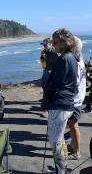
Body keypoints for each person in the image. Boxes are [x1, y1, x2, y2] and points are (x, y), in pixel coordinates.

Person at [42, 28, 79, 174]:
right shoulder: (71, 57)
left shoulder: (65, 58)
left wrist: (46, 99)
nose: (53, 44)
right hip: (65, 103)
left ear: (64, 42)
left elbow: (56, 83)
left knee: (56, 141)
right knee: (59, 140)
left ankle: (61, 171)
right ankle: (60, 170)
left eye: (55, 41)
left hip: (60, 104)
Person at [67, 36, 86, 160]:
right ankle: (73, 146)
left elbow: (74, 83)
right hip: (78, 97)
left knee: (73, 125)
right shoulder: (80, 58)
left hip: (75, 99)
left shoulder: (77, 62)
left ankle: (77, 152)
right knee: (72, 125)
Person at [40, 38, 59, 118]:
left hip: (52, 73)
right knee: (44, 87)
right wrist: (42, 57)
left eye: (45, 45)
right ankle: (46, 105)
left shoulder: (55, 52)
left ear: (50, 44)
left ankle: (46, 110)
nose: (44, 47)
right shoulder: (44, 52)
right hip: (45, 70)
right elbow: (42, 62)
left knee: (48, 90)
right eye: (43, 45)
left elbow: (59, 63)